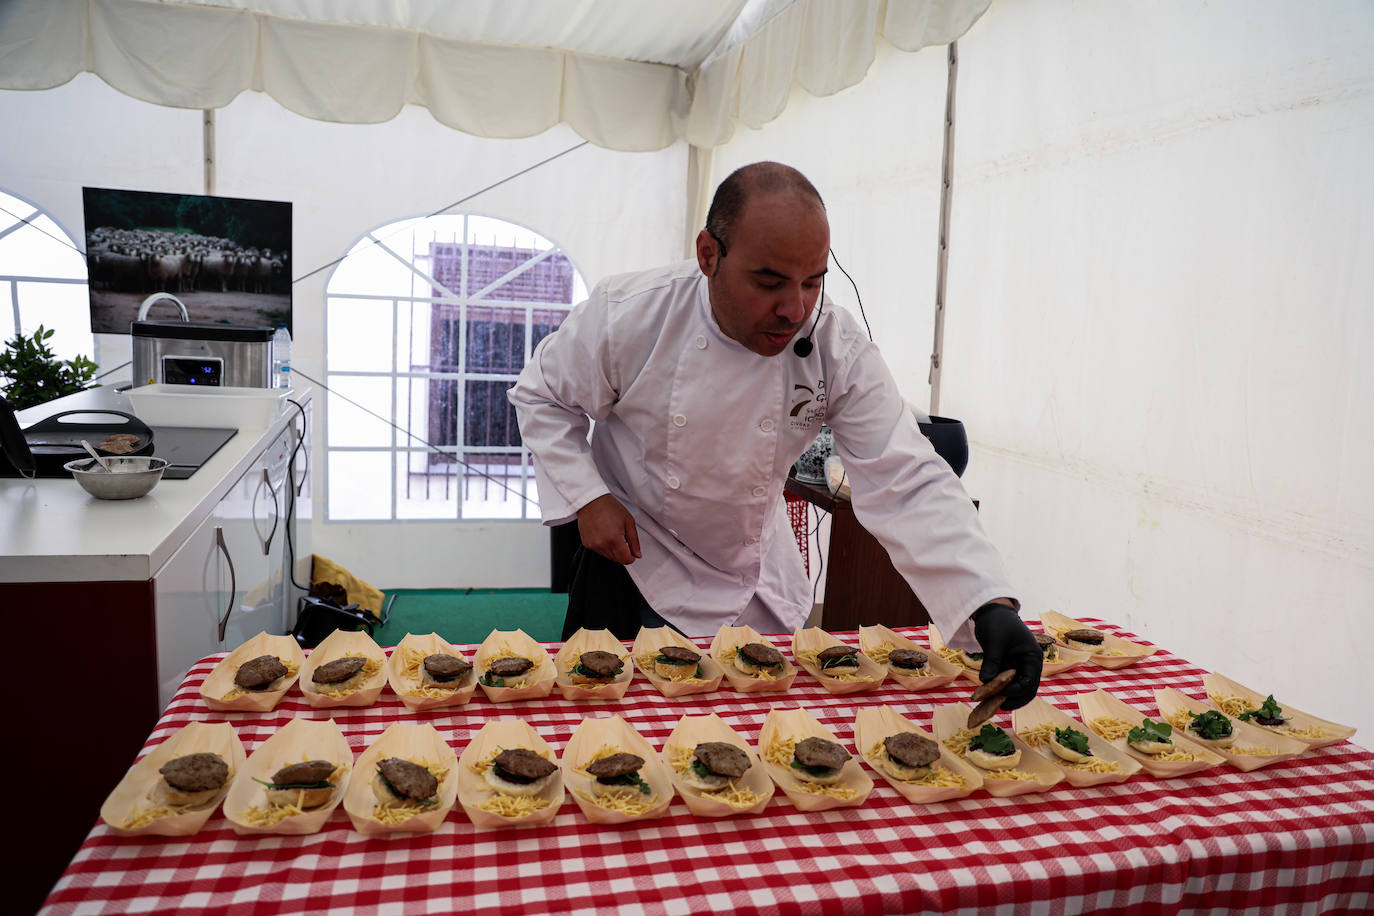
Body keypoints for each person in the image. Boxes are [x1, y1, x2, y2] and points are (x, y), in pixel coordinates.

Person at [509, 161, 1042, 708]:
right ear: (709, 255)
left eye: (813, 283)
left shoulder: (834, 344)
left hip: (755, 580)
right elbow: (542, 395)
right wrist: (589, 498)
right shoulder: (631, 314)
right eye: (769, 282)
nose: (793, 311)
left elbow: (905, 475)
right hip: (636, 565)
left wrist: (988, 605)